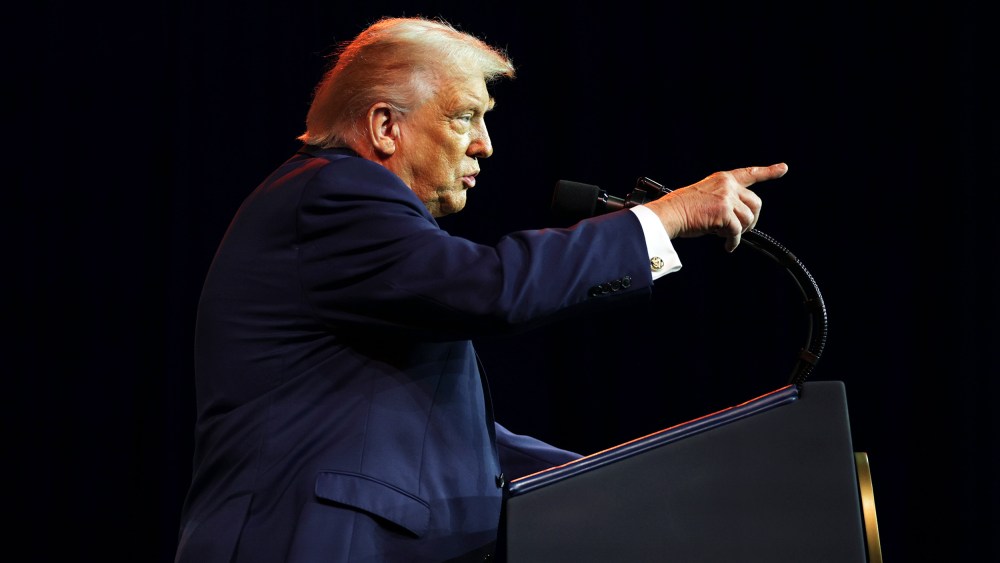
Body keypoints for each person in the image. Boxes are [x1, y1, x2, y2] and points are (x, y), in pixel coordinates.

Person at [173, 15, 788, 563]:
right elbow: (492, 287)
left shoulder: (353, 238)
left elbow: (449, 439)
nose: (484, 145)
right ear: (386, 127)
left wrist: (623, 483)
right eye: (464, 116)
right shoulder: (336, 193)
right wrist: (665, 217)